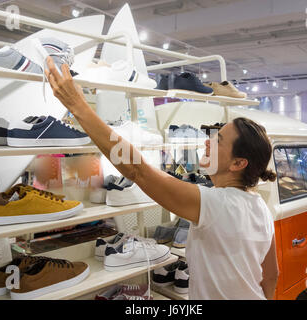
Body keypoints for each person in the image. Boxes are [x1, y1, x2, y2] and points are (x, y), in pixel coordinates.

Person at [45, 57, 279, 300]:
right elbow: (271, 275)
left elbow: (138, 171)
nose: (207, 141)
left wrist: (79, 106)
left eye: (218, 140)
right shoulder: (260, 206)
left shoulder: (215, 203)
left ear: (238, 164)